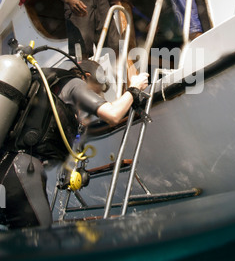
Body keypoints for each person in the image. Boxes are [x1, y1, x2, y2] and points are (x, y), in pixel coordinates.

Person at [0, 59, 149, 229]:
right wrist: (134, 88)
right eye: (95, 92)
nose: (97, 98)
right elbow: (113, 115)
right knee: (38, 241)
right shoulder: (74, 84)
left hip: (5, 167)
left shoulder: (48, 90)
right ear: (87, 76)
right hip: (20, 172)